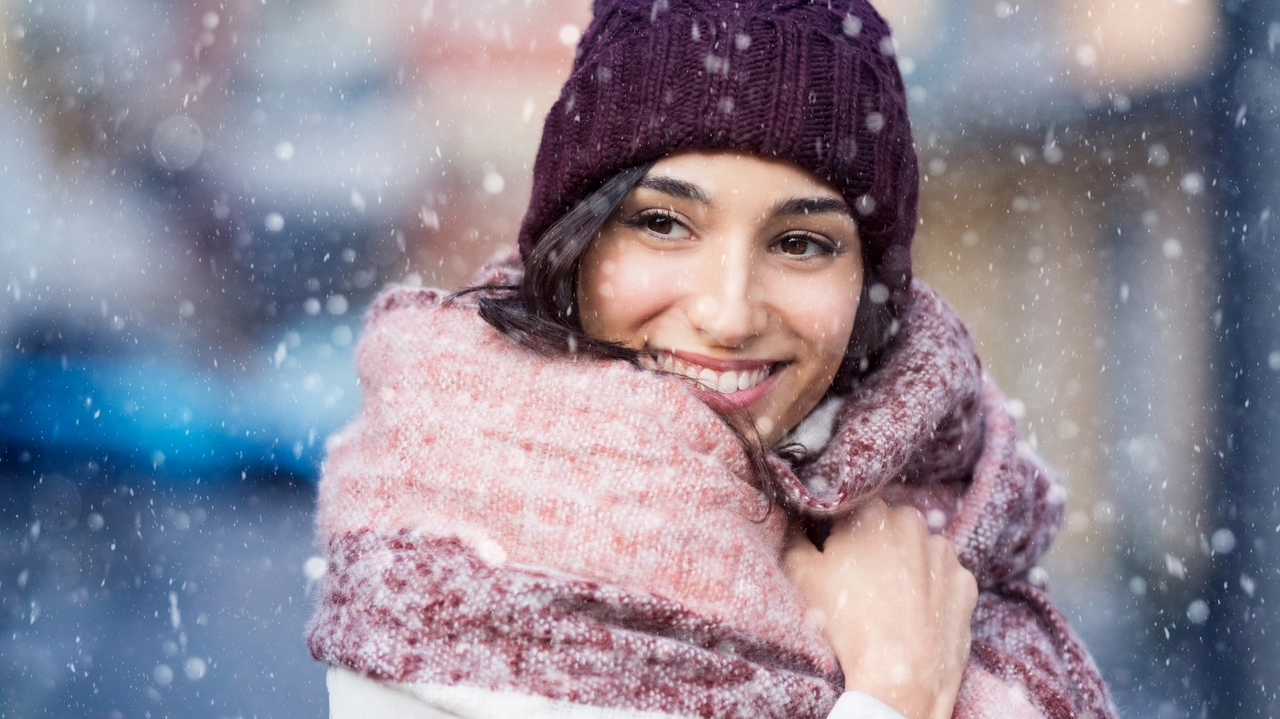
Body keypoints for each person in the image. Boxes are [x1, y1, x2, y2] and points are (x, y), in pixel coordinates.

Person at [307, 1, 1119, 718]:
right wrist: (895, 691)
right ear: (577, 245)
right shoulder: (455, 564)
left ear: (868, 287)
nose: (728, 313)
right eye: (663, 224)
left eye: (801, 242)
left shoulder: (943, 529)